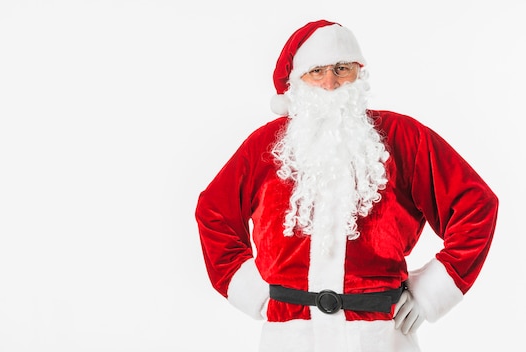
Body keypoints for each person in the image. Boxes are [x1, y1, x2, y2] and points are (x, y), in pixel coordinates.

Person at [194, 19, 499, 352]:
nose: (330, 83)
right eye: (316, 71)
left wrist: (430, 293)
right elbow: (214, 213)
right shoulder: (266, 145)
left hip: (380, 338)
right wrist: (253, 295)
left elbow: (476, 205)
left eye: (341, 69)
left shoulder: (402, 137)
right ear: (296, 82)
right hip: (292, 339)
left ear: (358, 73)